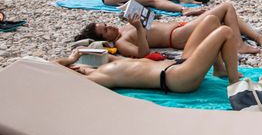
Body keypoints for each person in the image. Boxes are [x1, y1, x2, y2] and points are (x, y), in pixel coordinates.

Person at [56, 14, 241, 93]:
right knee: (225, 32)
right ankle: (235, 84)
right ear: (75, 70)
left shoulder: (108, 61)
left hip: (179, 66)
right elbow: (52, 71)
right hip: (177, 79)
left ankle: (219, 69)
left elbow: (95, 54)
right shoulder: (99, 76)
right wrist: (70, 60)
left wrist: (79, 53)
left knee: (211, 20)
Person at [75, 2, 262, 56]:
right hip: (177, 37)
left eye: (106, 24)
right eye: (105, 30)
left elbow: (152, 22)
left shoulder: (125, 26)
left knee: (224, 15)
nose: (109, 26)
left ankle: (258, 38)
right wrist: (139, 30)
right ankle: (238, 45)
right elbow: (142, 53)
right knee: (226, 7)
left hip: (180, 28)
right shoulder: (121, 41)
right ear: (105, 39)